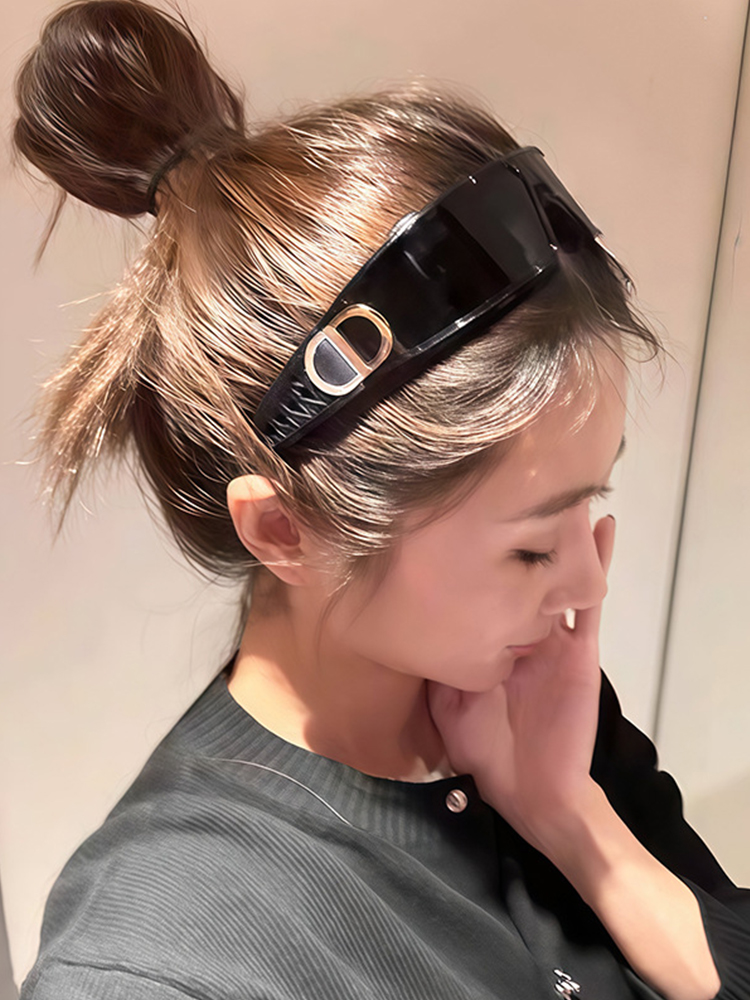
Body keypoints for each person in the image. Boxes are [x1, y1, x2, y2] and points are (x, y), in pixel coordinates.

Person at [13, 1, 750, 998]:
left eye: (595, 501)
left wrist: (570, 817)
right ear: (286, 530)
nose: (588, 587)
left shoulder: (532, 698)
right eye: (533, 548)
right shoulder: (167, 964)